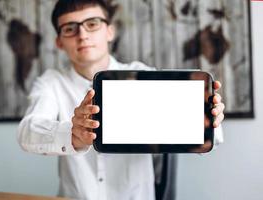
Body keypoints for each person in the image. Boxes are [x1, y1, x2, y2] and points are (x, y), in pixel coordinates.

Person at [17, 0, 225, 200]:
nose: (82, 35)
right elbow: (29, 131)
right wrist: (72, 134)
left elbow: (211, 137)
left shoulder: (142, 76)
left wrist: (209, 118)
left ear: (109, 31)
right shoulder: (51, 83)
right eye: (70, 28)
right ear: (59, 42)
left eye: (92, 24)